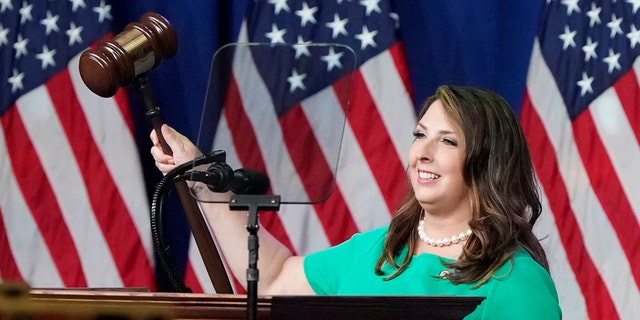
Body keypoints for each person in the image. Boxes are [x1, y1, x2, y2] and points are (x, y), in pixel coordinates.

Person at [150, 85, 562, 319]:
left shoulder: (516, 283)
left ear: (488, 162)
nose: (423, 152)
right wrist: (201, 177)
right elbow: (272, 277)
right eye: (420, 135)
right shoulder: (377, 250)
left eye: (448, 141)